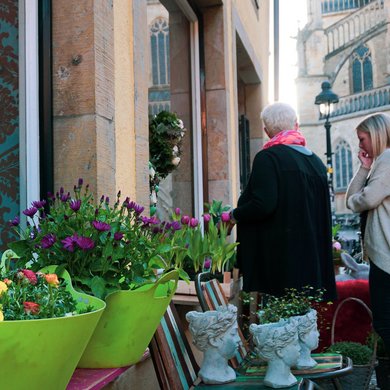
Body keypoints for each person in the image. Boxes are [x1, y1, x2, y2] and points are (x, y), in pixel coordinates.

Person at [231, 102, 337, 300]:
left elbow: (263, 204)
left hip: (282, 263)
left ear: (266, 130)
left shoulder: (268, 158)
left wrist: (234, 215)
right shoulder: (316, 162)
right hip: (312, 263)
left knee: (280, 323)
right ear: (296, 125)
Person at [346, 112, 390, 355]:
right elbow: (352, 201)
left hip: (386, 257)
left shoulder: (388, 159)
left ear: (375, 135)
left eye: (362, 139)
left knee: (384, 323)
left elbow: (365, 199)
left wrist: (357, 199)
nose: (360, 145)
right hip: (382, 256)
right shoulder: (381, 161)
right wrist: (364, 168)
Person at [186, 304, 241, 384]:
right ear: (214, 340)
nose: (239, 339)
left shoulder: (230, 372)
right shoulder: (209, 375)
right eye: (233, 334)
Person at [250, 319, 301, 388]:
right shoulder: (275, 381)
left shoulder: (290, 378)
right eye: (295, 344)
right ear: (279, 352)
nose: (299, 348)